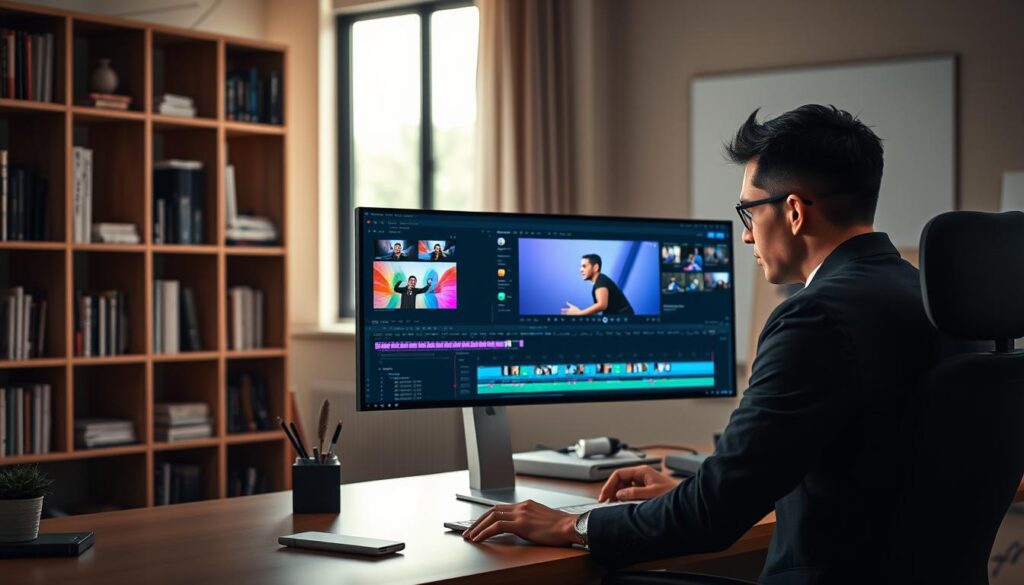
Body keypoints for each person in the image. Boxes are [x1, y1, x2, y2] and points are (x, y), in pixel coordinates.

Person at [460, 105, 973, 583]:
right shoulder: (930, 296)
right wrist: (702, 487)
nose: (746, 236)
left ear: (793, 211)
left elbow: (711, 519)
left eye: (749, 212)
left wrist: (573, 526)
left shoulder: (813, 317)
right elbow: (866, 467)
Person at [561, 254, 635, 315]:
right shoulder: (600, 281)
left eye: (584, 266)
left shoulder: (601, 281)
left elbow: (602, 305)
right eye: (581, 266)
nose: (581, 270)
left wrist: (580, 313)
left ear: (595, 267)